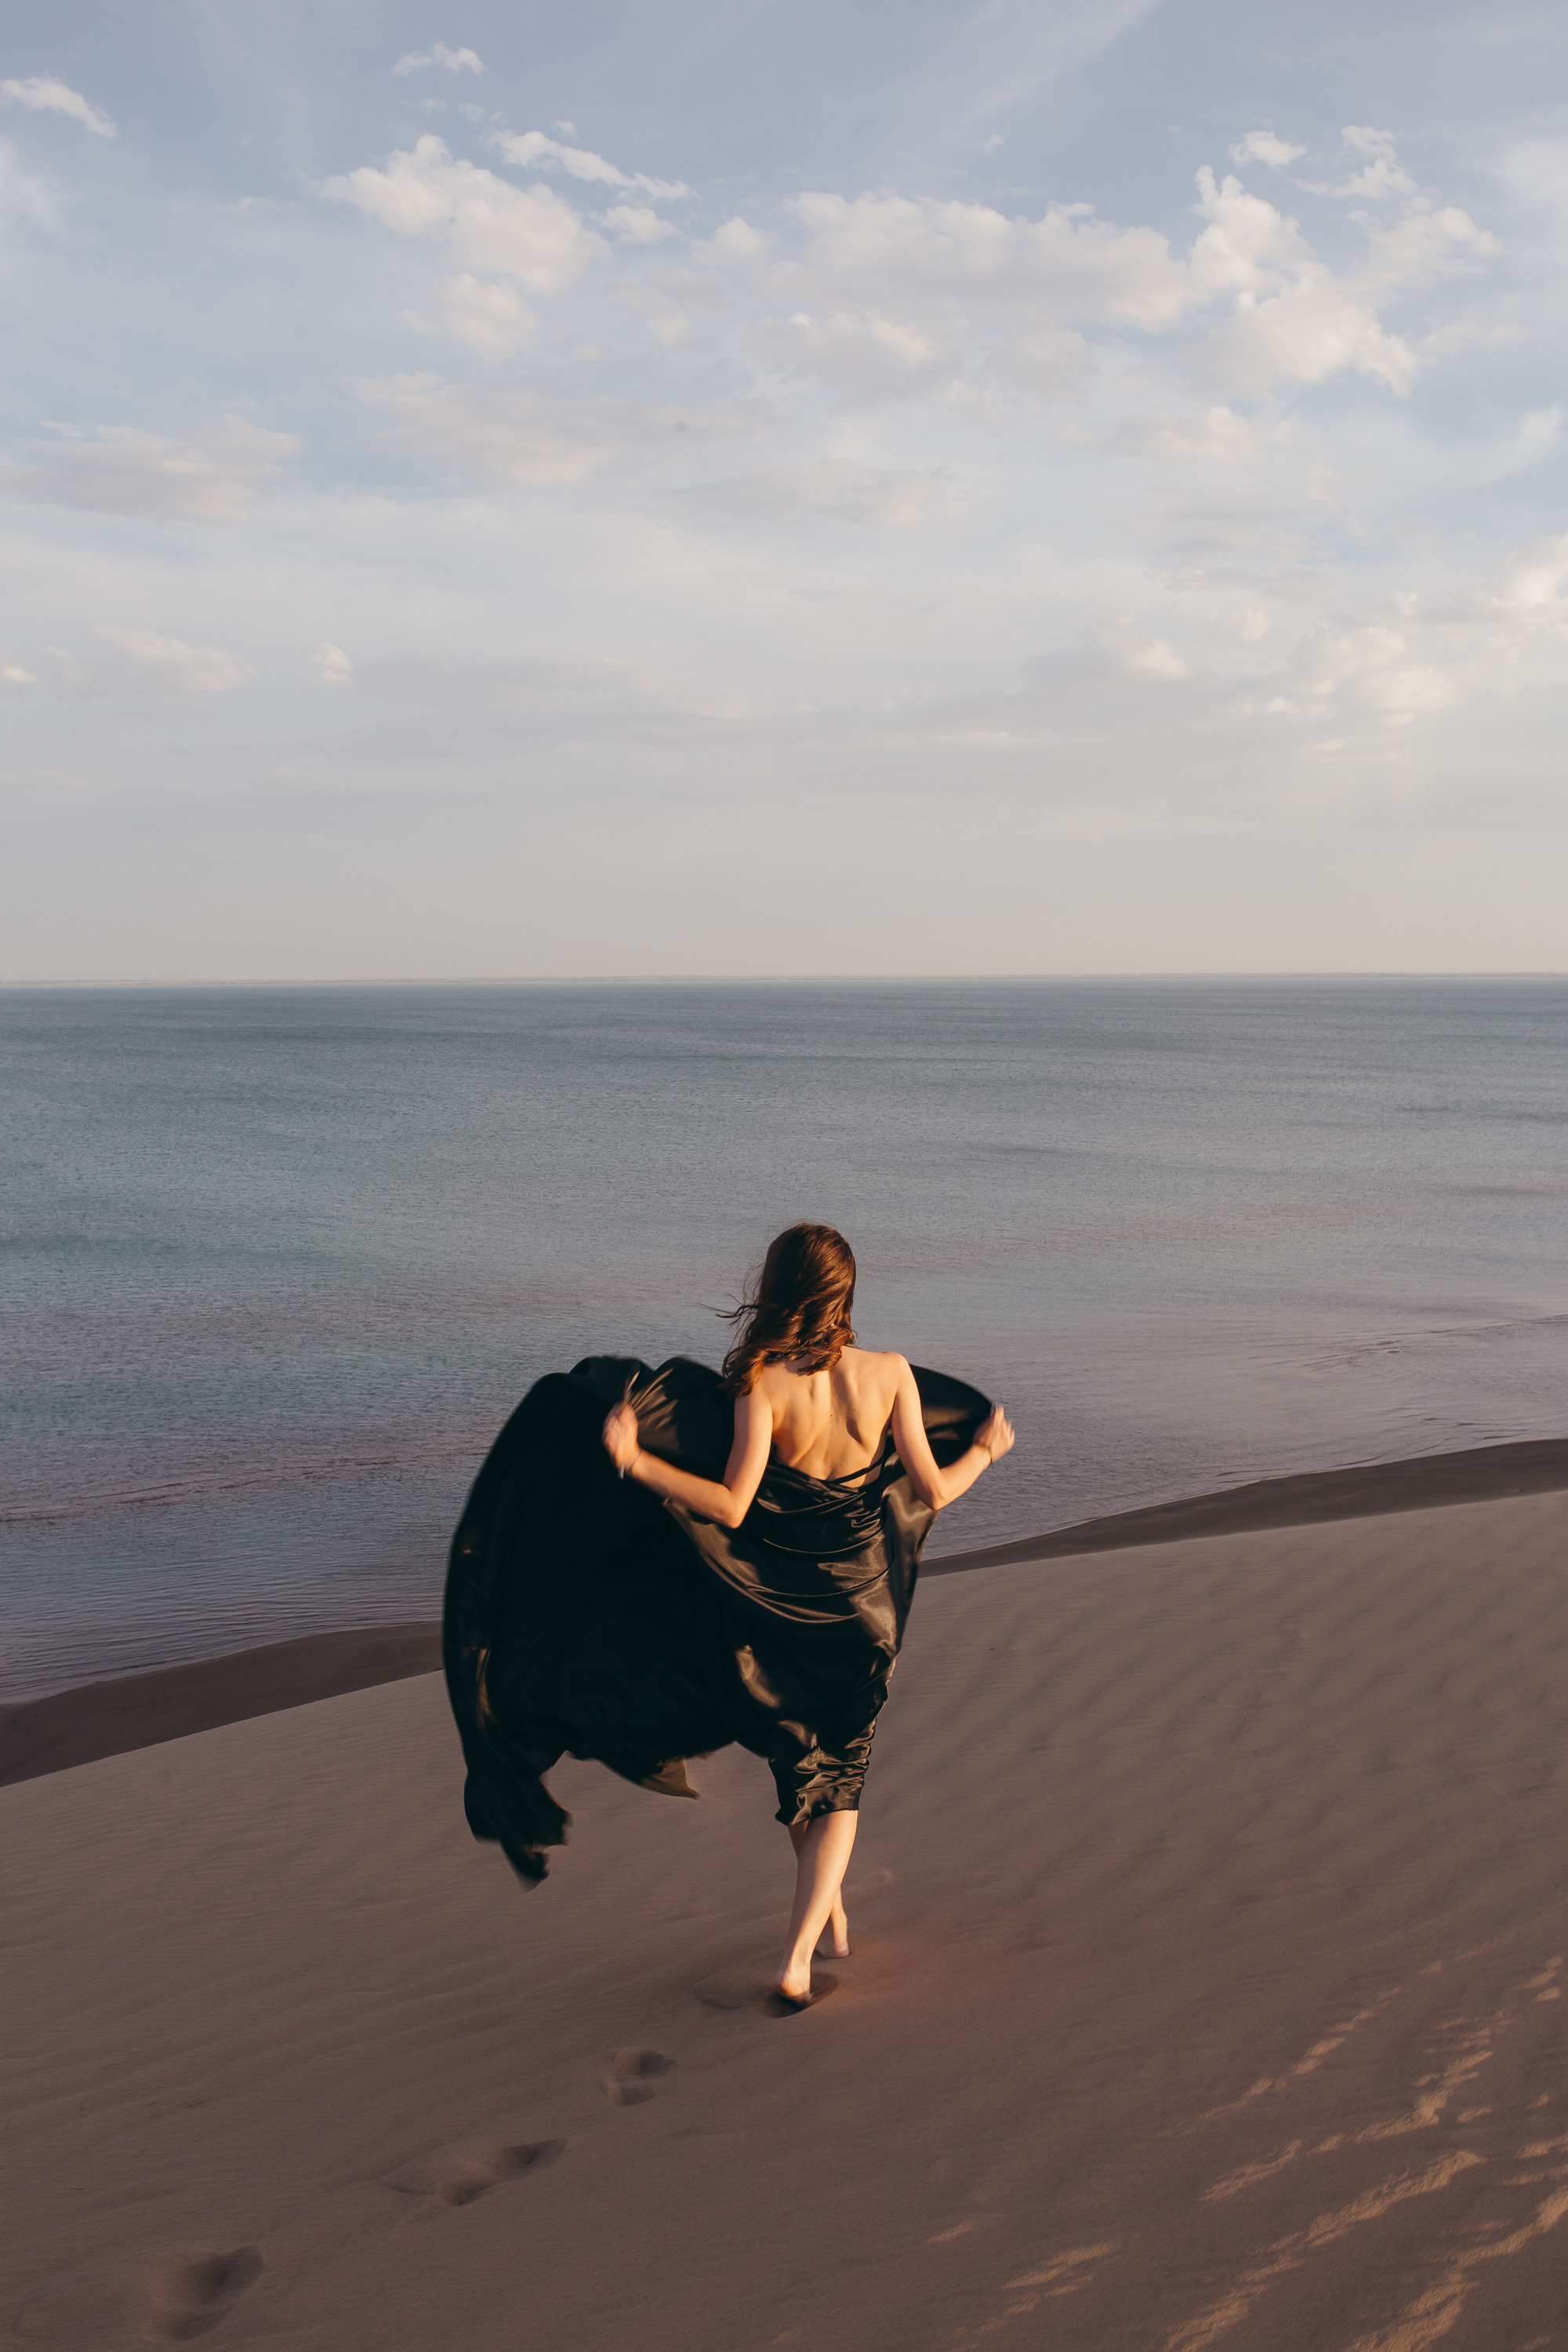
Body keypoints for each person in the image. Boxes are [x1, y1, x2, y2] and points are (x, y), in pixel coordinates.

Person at [442, 1223, 1013, 2010]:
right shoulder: (890, 1375)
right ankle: (800, 1951)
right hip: (861, 1617)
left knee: (798, 1766)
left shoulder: (759, 1380)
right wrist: (985, 1449)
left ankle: (819, 1921)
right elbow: (936, 1490)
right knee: (838, 1775)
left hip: (778, 1619)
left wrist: (635, 1461)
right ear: (845, 1293)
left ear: (776, 1288)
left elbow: (732, 1506)